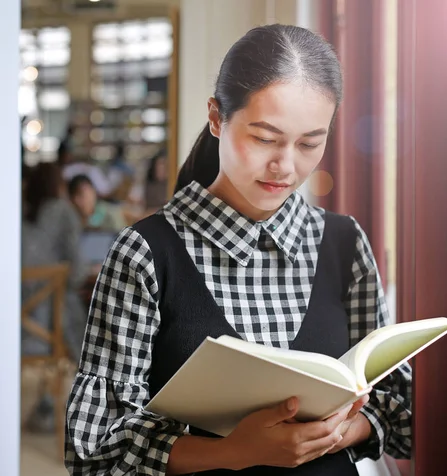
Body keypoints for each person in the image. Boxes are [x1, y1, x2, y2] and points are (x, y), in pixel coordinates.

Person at [65, 24, 411, 475]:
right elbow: (94, 452)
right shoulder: (146, 253)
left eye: (310, 142)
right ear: (216, 117)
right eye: (265, 138)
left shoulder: (345, 243)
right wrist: (239, 452)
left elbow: (399, 413)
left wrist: (340, 431)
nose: (285, 166)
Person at [21, 163, 89, 432]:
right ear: (59, 186)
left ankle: (47, 404)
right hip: (51, 330)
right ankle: (65, 407)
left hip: (17, 330)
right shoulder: (63, 212)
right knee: (86, 320)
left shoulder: (14, 211)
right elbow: (77, 272)